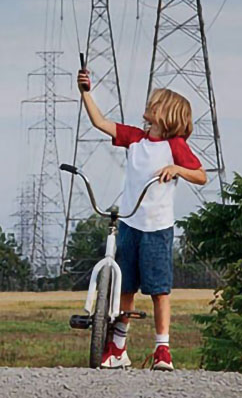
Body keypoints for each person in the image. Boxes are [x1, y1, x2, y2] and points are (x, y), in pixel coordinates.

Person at [77, 69, 206, 371]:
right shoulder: (135, 138)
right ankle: (118, 347)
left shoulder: (175, 147)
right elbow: (100, 123)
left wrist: (177, 169)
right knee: (126, 288)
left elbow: (200, 175)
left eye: (156, 104)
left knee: (159, 290)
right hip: (130, 223)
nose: (150, 106)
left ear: (169, 115)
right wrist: (85, 92)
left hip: (157, 228)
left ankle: (163, 350)